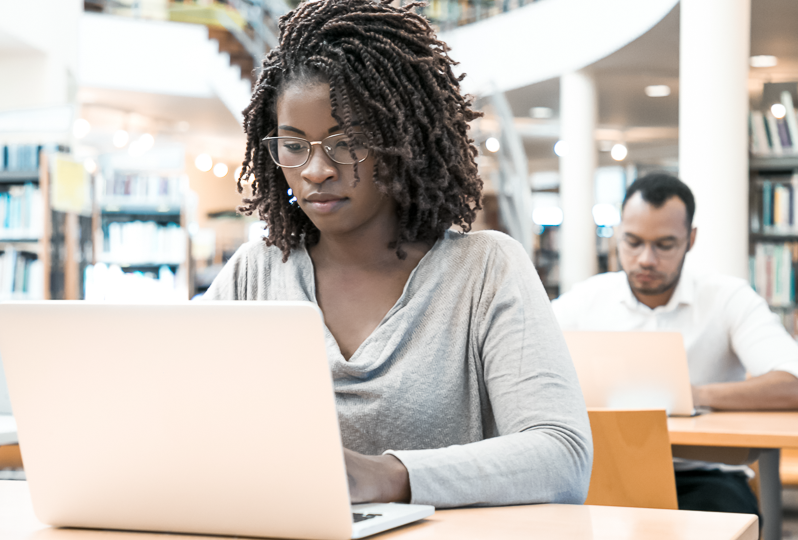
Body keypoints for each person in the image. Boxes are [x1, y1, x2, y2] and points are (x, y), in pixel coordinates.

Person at [201, 0, 592, 508]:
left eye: (346, 142)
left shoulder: (485, 271)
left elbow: (561, 458)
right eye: (294, 145)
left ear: (402, 141)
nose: (315, 170)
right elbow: (181, 418)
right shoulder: (254, 275)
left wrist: (389, 476)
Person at [552, 173, 798, 517]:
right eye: (632, 242)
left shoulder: (728, 298)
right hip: (599, 472)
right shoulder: (586, 300)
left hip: (704, 474)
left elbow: (793, 382)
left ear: (690, 239)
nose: (646, 259)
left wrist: (693, 395)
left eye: (664, 245)